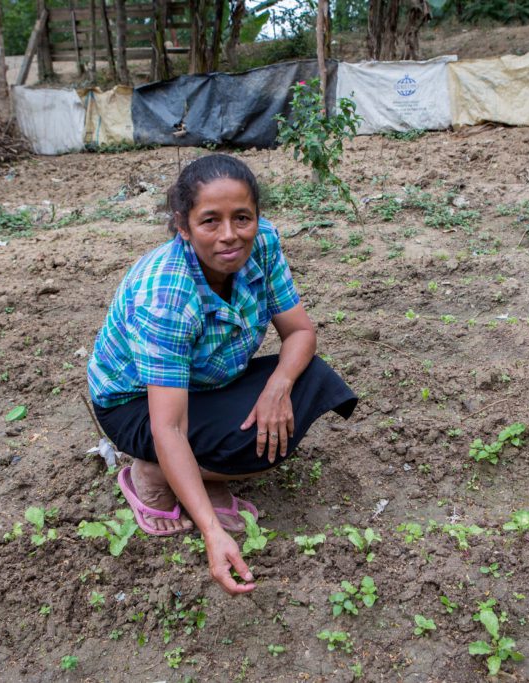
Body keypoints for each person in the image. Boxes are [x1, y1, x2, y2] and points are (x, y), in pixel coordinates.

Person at [87, 154, 357, 595]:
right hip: (136, 405)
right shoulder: (168, 295)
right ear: (183, 224)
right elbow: (168, 425)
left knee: (312, 381)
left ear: (257, 217)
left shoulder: (264, 243)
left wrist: (278, 387)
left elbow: (300, 332)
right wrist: (212, 531)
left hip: (207, 382)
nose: (230, 235)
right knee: (248, 447)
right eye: (210, 221)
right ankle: (152, 475)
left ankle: (197, 473)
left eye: (242, 218)